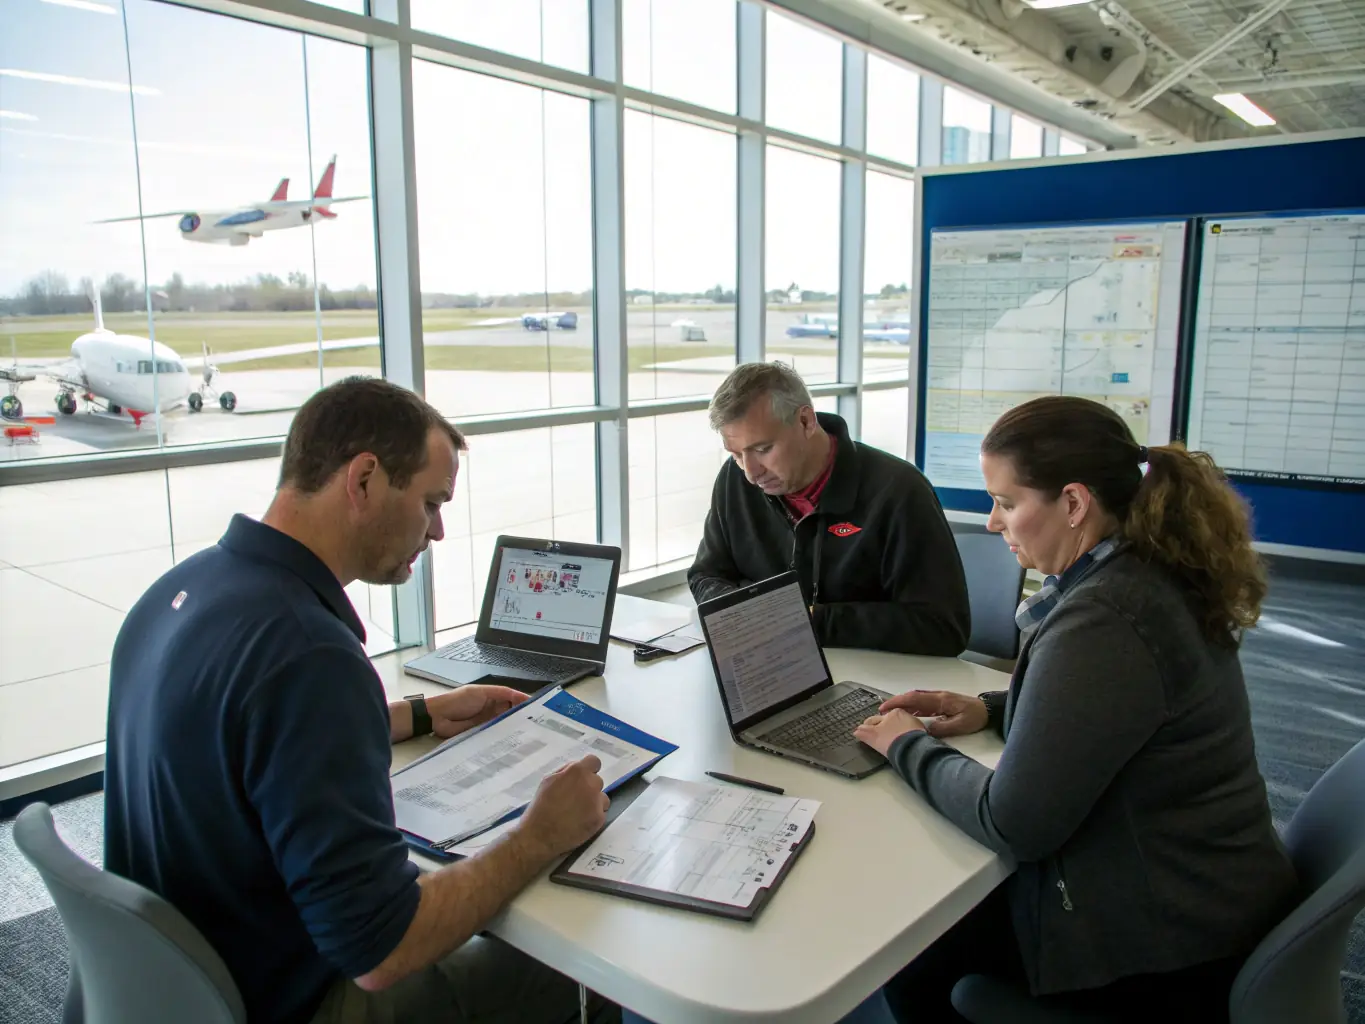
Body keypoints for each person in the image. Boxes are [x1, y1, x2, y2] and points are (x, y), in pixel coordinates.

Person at [104, 377, 612, 1024]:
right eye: (430, 502)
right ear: (365, 479)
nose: (437, 531)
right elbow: (381, 947)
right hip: (291, 999)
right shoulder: (307, 652)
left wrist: (418, 714)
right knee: (587, 969)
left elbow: (233, 742)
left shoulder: (182, 590)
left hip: (178, 984)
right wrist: (537, 837)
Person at [851, 395, 1298, 1023]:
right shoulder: (1145, 572)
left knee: (912, 945)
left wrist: (905, 744)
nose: (992, 523)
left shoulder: (1105, 619)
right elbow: (1121, 711)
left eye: (1007, 503)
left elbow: (1013, 823)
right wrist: (991, 708)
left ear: (1073, 502)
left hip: (1168, 947)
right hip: (1208, 895)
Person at [688, 361, 970, 655]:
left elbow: (944, 627)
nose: (750, 473)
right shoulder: (734, 479)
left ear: (806, 421)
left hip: (875, 674)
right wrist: (741, 613)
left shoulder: (899, 491)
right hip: (773, 664)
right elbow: (706, 574)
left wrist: (808, 620)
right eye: (736, 454)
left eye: (763, 449)